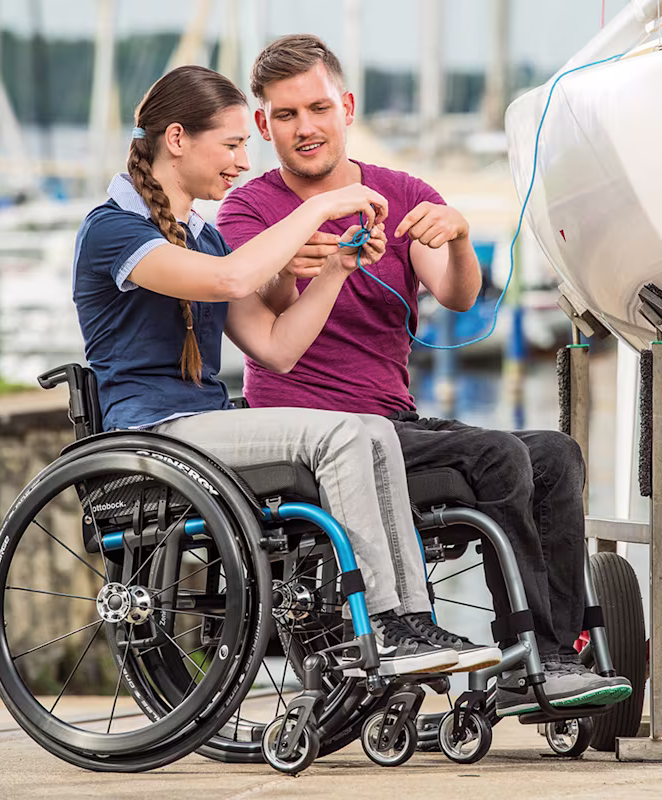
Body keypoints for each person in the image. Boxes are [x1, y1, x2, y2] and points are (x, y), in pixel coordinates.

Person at [216, 35, 631, 715]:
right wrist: (302, 264)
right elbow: (261, 331)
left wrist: (459, 237)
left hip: (397, 423)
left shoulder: (401, 192)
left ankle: (555, 658)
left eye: (318, 108)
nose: (306, 127)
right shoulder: (250, 212)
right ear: (263, 126)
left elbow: (459, 295)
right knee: (496, 455)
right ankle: (531, 655)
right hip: (316, 436)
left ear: (346, 106)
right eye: (286, 115)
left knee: (555, 455)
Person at [72, 64, 489, 676]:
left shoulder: (204, 240)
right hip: (152, 432)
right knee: (346, 433)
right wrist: (323, 207)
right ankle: (385, 621)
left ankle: (407, 621)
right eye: (233, 144)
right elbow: (234, 279)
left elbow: (276, 348)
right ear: (178, 139)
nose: (245, 160)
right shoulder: (114, 231)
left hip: (204, 425)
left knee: (367, 427)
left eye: (246, 144)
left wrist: (335, 271)